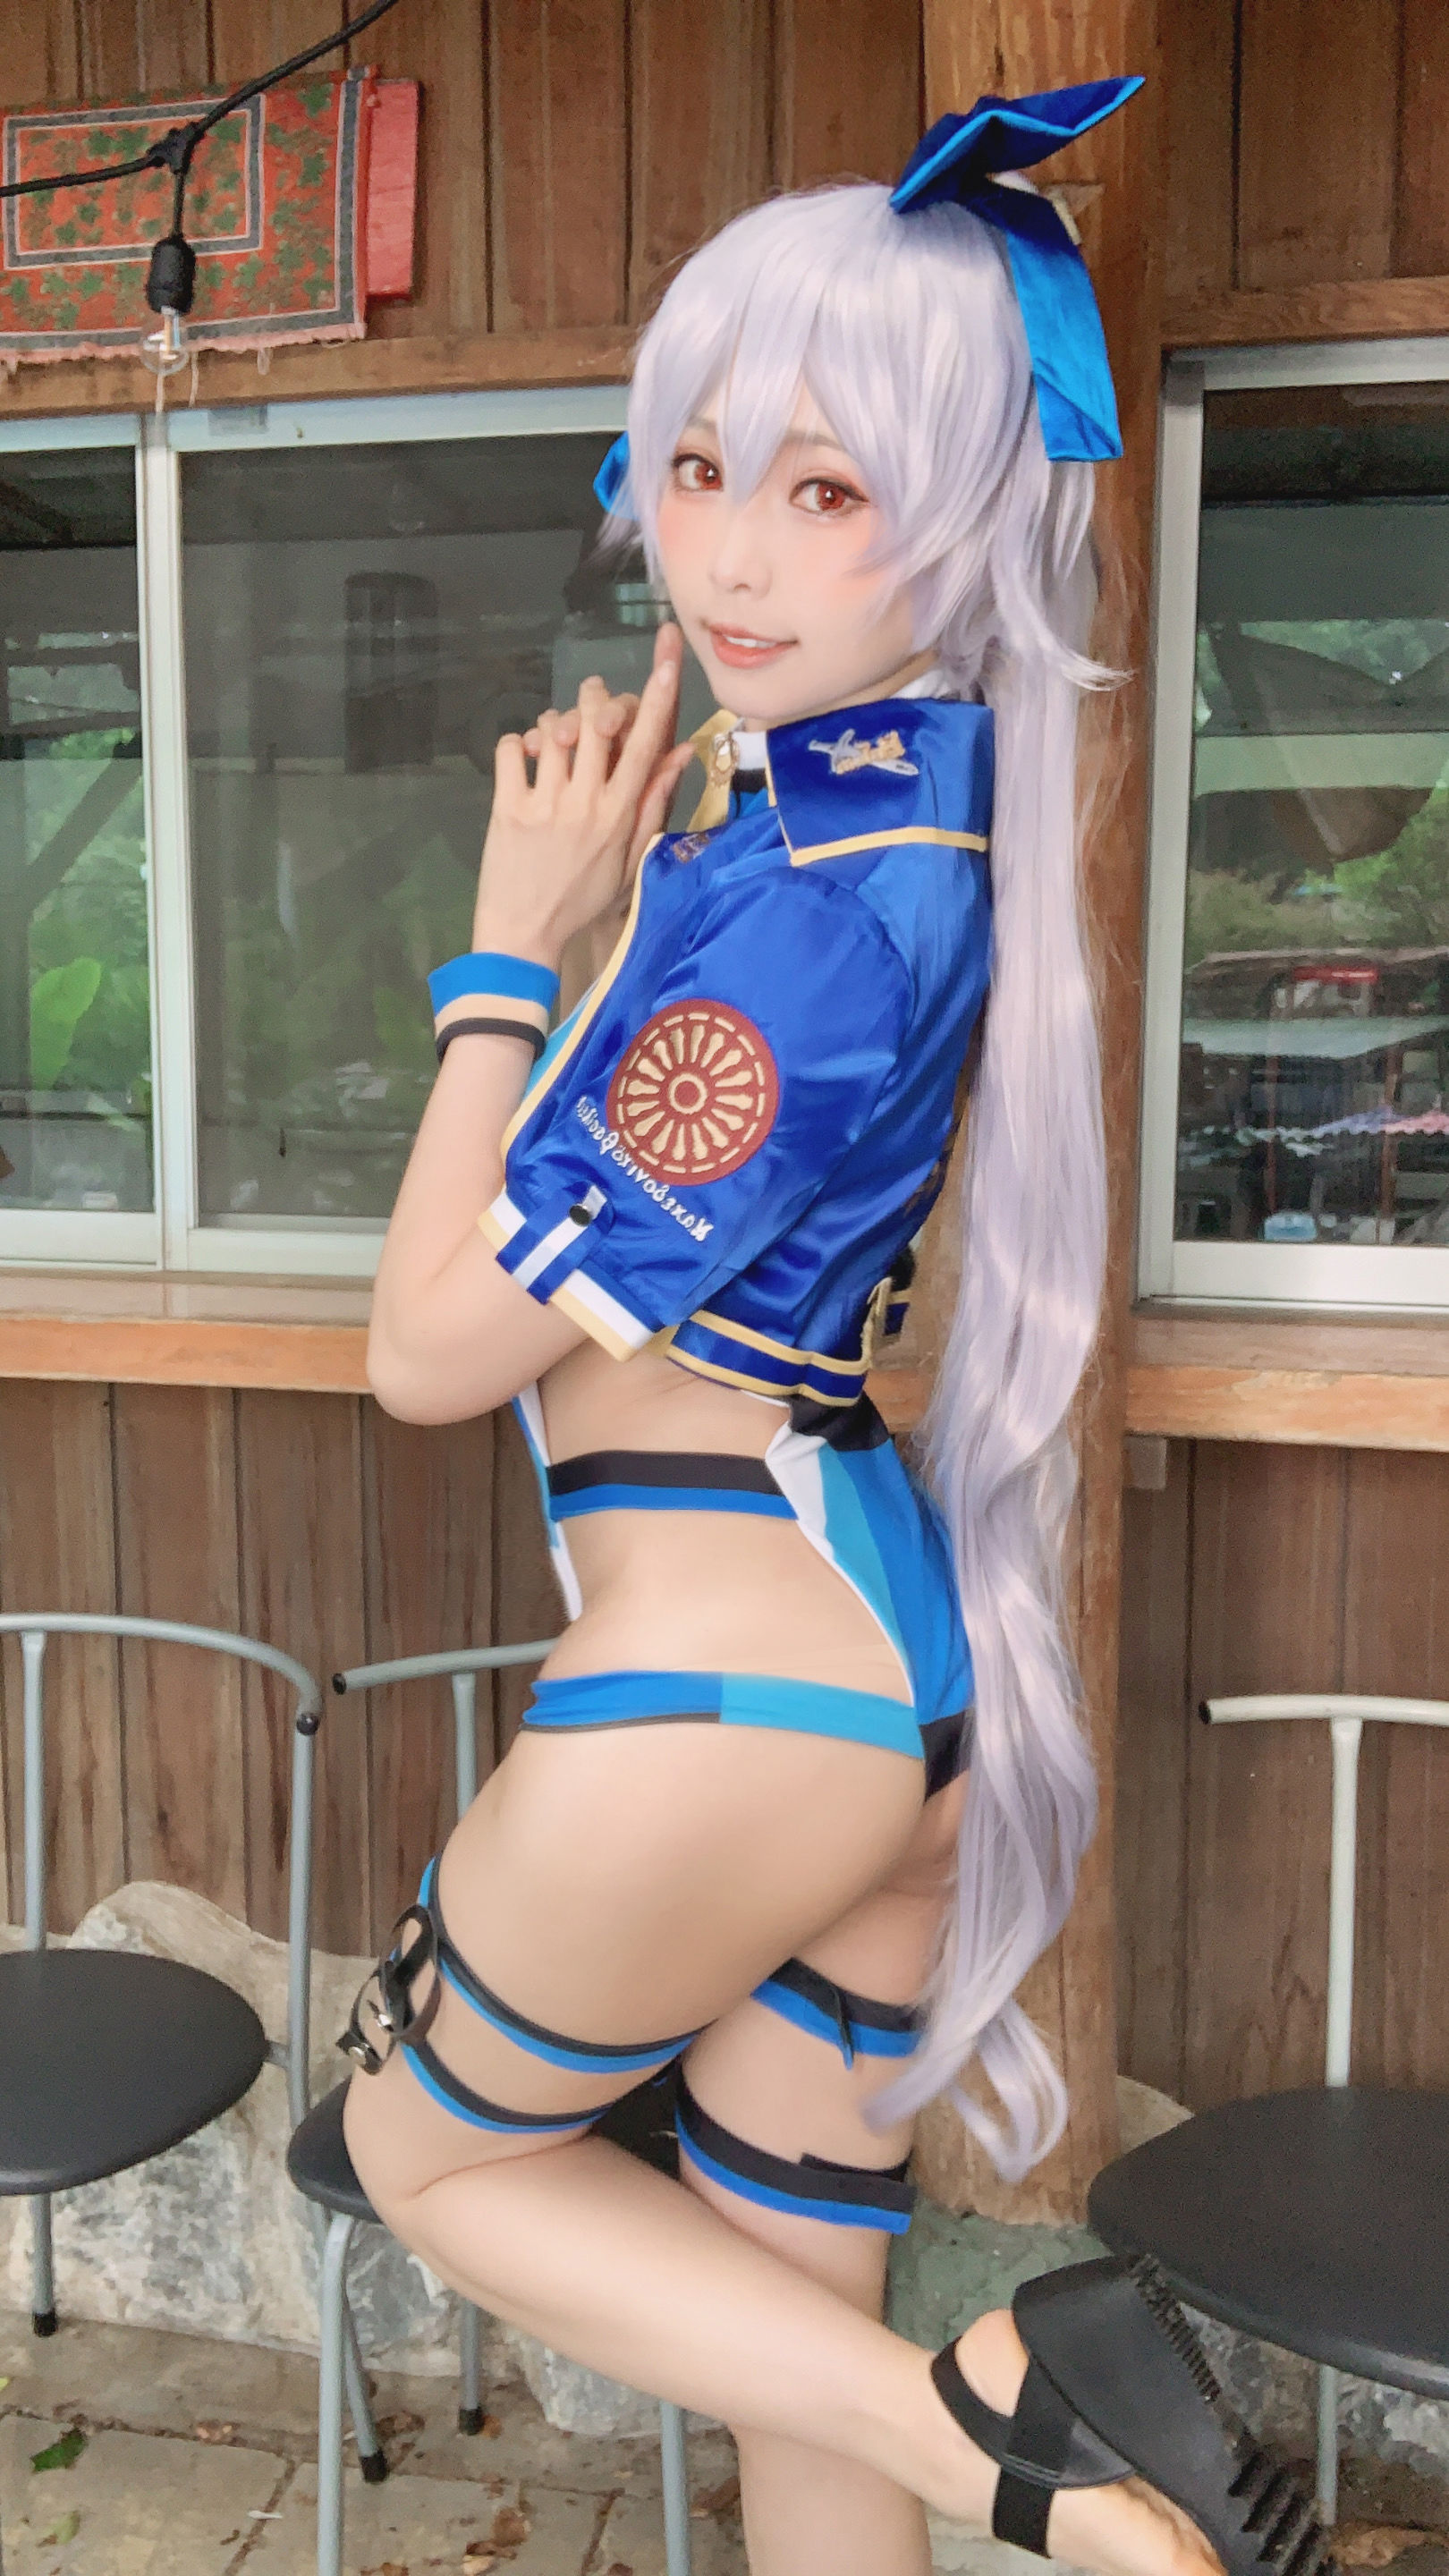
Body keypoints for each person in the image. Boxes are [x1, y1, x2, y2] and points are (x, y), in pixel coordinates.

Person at [343, 83, 1330, 2576]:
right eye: (698, 470)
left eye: (827, 488)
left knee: (422, 2151)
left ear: (968, 515)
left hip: (725, 1687)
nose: (734, 554)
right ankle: (955, 2425)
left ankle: (1016, 2443)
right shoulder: (857, 826)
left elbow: (428, 1354)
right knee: (778, 2308)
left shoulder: (798, 912)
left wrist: (502, 950)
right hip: (872, 1674)